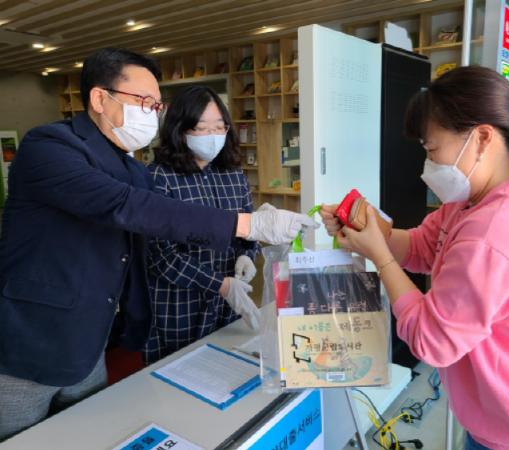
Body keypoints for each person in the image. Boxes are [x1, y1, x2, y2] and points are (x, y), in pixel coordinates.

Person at [0, 47, 316, 440]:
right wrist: (249, 225)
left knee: (91, 435)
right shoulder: (50, 147)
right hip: (28, 344)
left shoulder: (130, 167)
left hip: (90, 338)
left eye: (155, 105)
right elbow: (130, 208)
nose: (151, 113)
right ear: (100, 98)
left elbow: (158, 226)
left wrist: (245, 247)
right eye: (143, 101)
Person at [320, 66, 509, 449]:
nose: (428, 165)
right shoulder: (474, 200)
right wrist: (370, 230)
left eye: (433, 150)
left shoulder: (496, 231)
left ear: (482, 138)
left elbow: (430, 339)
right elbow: (421, 247)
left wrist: (380, 256)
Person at [143, 86, 260, 364]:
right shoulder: (159, 177)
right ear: (180, 129)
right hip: (180, 306)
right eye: (202, 128)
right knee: (177, 371)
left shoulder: (233, 174)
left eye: (219, 127)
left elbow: (250, 225)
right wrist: (219, 284)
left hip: (228, 303)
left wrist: (248, 253)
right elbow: (160, 256)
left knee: (229, 367)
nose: (212, 136)